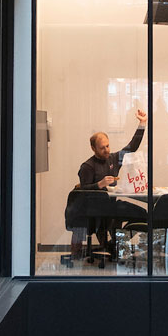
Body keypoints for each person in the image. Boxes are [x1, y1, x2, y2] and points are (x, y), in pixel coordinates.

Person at [67, 107, 148, 266]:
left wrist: (142, 124)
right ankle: (116, 248)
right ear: (93, 148)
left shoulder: (113, 159)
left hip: (111, 206)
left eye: (108, 146)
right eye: (102, 148)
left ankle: (116, 247)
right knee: (114, 217)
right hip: (94, 209)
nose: (106, 150)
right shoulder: (87, 167)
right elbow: (82, 191)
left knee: (142, 213)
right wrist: (100, 184)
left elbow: (132, 147)